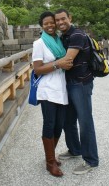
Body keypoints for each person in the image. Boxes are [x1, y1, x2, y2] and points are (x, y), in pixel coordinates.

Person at [54, 8, 99, 175]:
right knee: (68, 120)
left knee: (85, 122)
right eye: (57, 20)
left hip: (81, 84)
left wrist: (44, 66)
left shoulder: (77, 35)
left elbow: (68, 60)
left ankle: (91, 160)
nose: (60, 23)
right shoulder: (63, 37)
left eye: (63, 19)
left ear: (69, 18)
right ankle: (75, 149)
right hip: (68, 84)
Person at [32, 11, 73, 177]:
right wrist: (58, 64)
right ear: (42, 26)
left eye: (52, 23)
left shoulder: (59, 41)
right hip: (47, 90)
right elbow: (37, 69)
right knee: (49, 124)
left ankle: (51, 156)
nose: (49, 26)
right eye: (46, 23)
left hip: (61, 89)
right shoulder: (39, 43)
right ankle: (50, 162)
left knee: (59, 125)